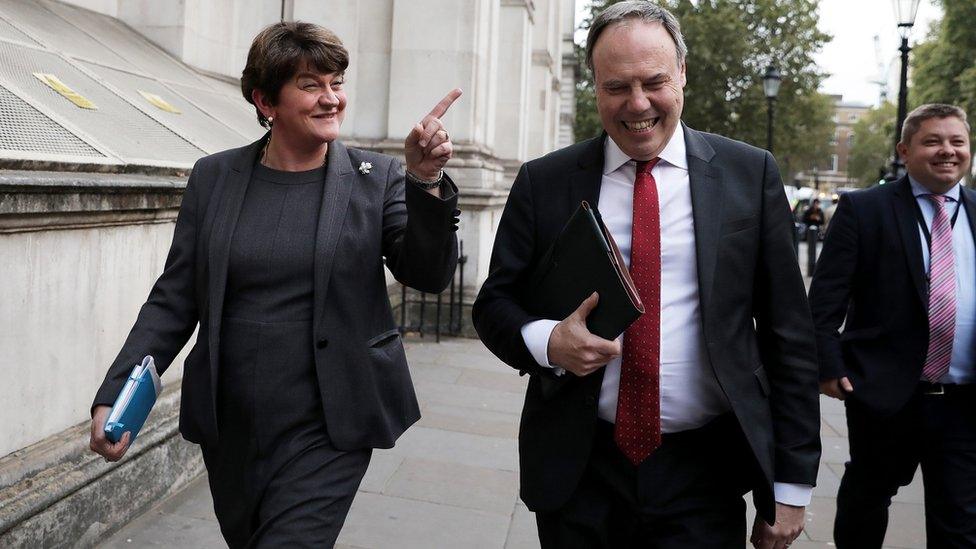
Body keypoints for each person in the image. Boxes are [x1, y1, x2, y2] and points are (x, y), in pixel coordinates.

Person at [88, 21, 461, 547]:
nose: (332, 99)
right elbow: (175, 298)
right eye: (311, 85)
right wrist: (117, 393)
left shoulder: (375, 179)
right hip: (231, 422)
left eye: (337, 82)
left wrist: (424, 181)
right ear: (266, 100)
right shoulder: (214, 177)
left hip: (330, 422)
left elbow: (426, 273)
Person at [471, 3, 820, 548]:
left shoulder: (748, 175)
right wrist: (548, 342)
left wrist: (792, 484)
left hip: (706, 472)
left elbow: (789, 334)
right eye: (616, 87)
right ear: (594, 87)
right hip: (579, 468)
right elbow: (494, 305)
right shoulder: (546, 182)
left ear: (682, 74)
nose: (637, 105)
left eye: (654, 82)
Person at [809, 103, 976, 548]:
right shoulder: (865, 209)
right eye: (933, 141)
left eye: (957, 141)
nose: (948, 151)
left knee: (960, 519)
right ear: (905, 150)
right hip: (884, 394)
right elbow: (825, 300)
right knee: (867, 502)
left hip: (965, 402)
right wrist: (827, 366)